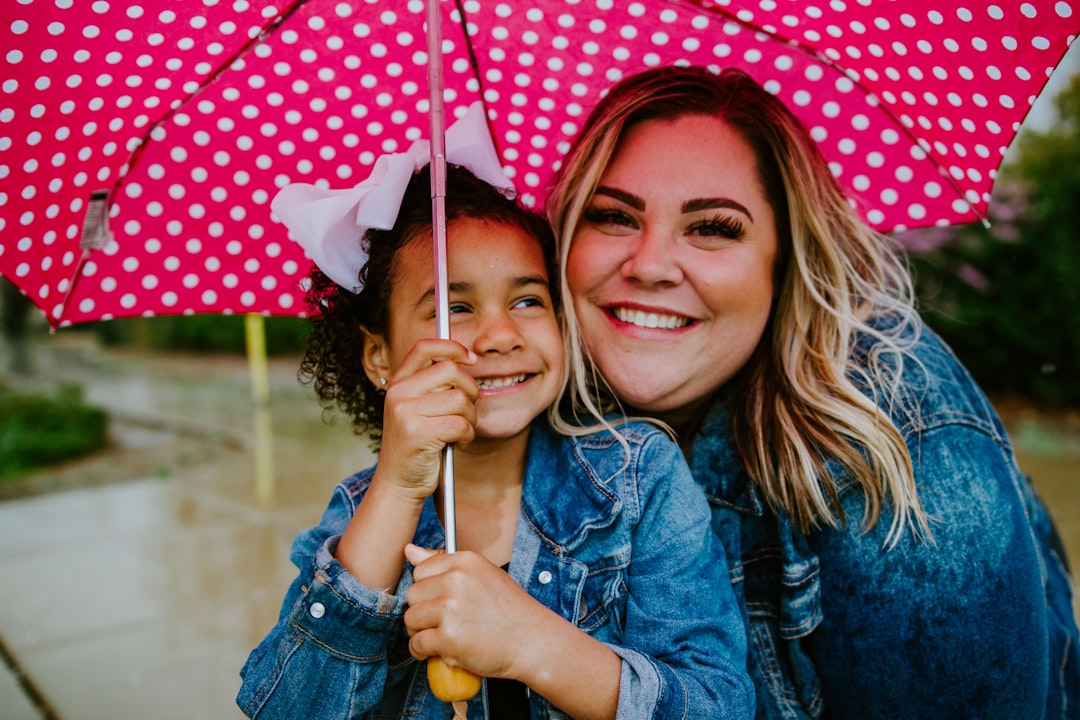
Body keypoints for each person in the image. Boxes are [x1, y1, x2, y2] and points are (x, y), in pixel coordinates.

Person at [546, 66, 1080, 719]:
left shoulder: (892, 438)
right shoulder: (535, 416)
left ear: (784, 258)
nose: (651, 264)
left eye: (713, 227)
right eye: (611, 216)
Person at [236, 104, 754, 720]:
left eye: (528, 299)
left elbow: (718, 703)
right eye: (455, 309)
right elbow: (288, 709)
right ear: (379, 357)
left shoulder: (638, 478)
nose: (501, 335)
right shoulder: (356, 515)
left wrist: (532, 644)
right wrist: (400, 490)